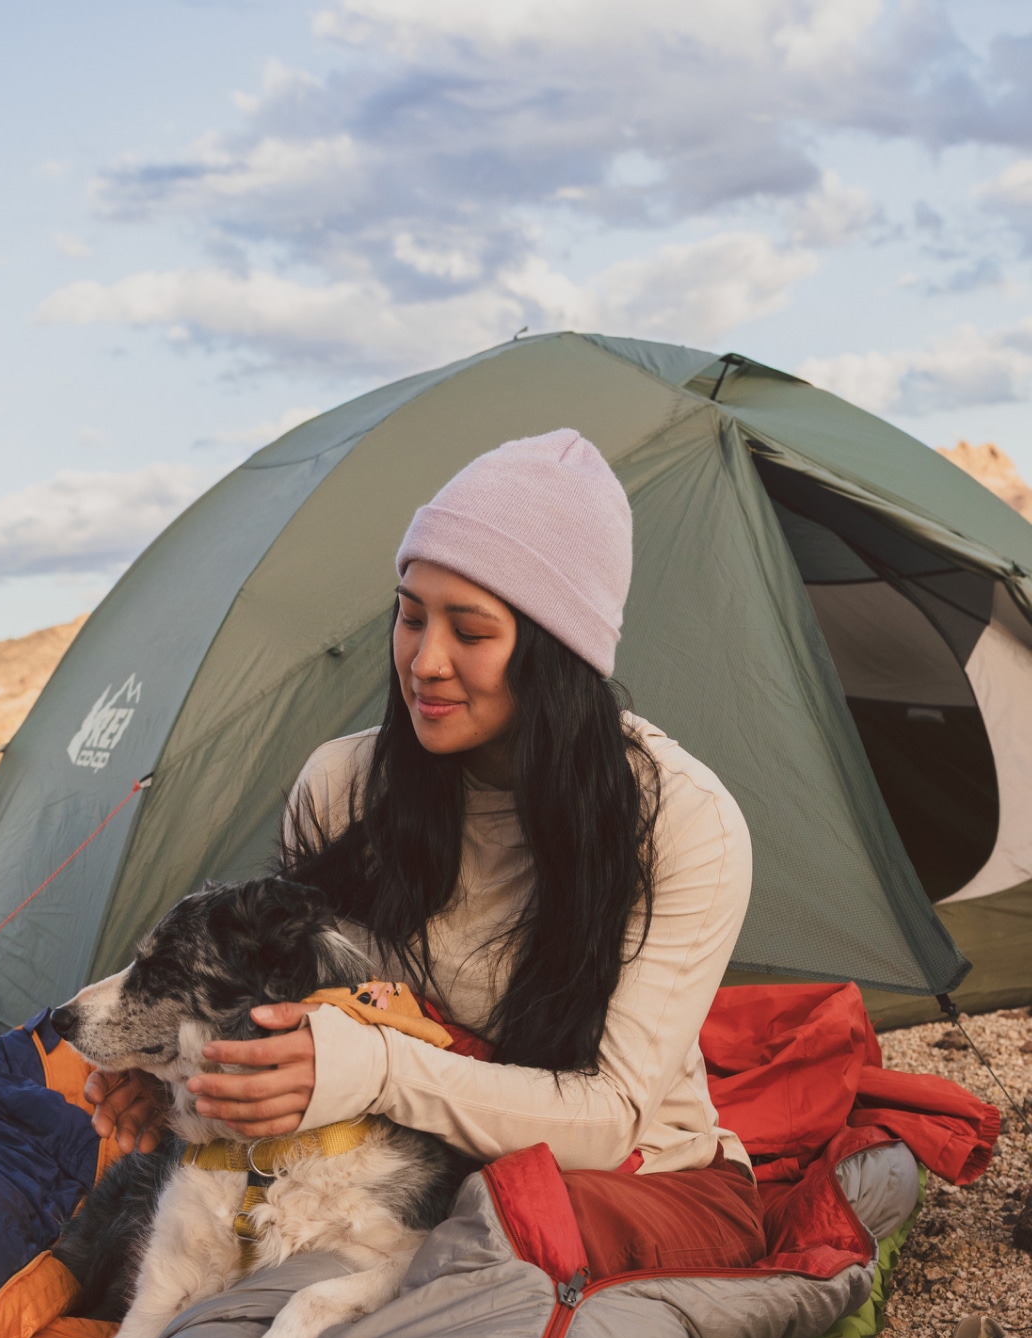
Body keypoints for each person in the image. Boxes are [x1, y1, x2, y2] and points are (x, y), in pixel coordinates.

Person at [87, 429, 760, 1260]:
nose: (425, 661)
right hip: (381, 1170)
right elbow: (287, 1014)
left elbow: (609, 1117)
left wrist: (377, 1070)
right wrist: (182, 1073)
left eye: (470, 632)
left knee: (480, 1254)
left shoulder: (683, 823)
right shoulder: (342, 785)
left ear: (556, 654)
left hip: (615, 1183)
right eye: (410, 618)